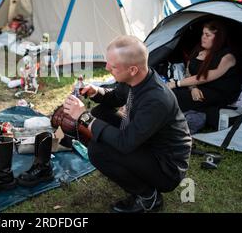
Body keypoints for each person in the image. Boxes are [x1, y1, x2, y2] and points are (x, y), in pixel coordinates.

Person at [63, 36, 192, 213]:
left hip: (166, 167)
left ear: (132, 69)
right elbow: (116, 96)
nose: (107, 68)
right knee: (100, 113)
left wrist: (84, 117)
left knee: (98, 150)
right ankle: (128, 172)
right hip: (147, 142)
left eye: (113, 66)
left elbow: (125, 142)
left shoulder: (156, 100)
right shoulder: (138, 78)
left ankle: (149, 197)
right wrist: (95, 92)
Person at [166, 20, 241, 114]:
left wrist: (177, 83)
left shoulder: (227, 57)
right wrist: (193, 87)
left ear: (218, 38)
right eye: (203, 34)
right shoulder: (199, 50)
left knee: (175, 95)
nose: (203, 37)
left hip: (218, 92)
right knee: (169, 92)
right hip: (199, 86)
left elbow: (204, 77)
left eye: (208, 35)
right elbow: (188, 71)